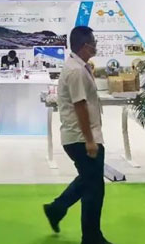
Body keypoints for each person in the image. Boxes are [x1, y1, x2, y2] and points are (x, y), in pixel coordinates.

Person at [43, 26, 111, 244]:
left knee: (88, 180)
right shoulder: (76, 71)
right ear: (84, 45)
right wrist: (90, 140)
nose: (96, 46)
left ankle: (56, 209)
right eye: (93, 43)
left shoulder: (80, 67)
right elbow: (79, 106)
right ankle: (91, 237)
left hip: (81, 136)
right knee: (94, 189)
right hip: (81, 138)